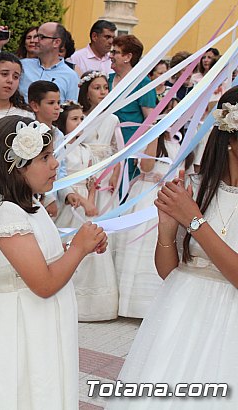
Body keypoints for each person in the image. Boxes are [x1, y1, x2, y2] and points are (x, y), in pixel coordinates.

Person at [0, 115, 108, 409]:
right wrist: (78, 249)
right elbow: (43, 283)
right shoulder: (5, 213)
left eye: (52, 155)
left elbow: (37, 256)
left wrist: (74, 246)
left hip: (34, 317)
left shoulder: (30, 206)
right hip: (16, 323)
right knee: (15, 389)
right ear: (15, 167)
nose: (55, 164)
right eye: (45, 157)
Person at [108, 87, 238, 409]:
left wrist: (194, 221)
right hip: (181, 313)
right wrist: (166, 230)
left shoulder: (193, 206)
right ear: (231, 138)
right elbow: (171, 270)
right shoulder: (196, 186)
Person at [54, 101, 118, 321]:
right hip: (70, 204)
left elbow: (92, 180)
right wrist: (79, 199)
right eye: (74, 119)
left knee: (92, 248)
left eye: (82, 119)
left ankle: (90, 306)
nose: (80, 123)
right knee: (69, 245)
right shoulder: (61, 148)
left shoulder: (85, 149)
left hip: (86, 204)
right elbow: (61, 178)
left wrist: (90, 201)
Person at [113, 130, 185, 318]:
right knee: (139, 244)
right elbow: (146, 166)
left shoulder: (179, 141)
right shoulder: (153, 139)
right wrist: (154, 135)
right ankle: (133, 304)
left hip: (169, 197)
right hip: (148, 195)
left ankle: (154, 305)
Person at [0, 22, 79, 103]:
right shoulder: (23, 65)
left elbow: (70, 111)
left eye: (41, 37)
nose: (35, 41)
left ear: (56, 42)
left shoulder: (71, 76)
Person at [108, 35, 157, 179]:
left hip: (129, 148)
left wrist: (142, 150)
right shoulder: (107, 79)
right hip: (108, 145)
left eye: (115, 52)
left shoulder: (143, 83)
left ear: (127, 57)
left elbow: (150, 121)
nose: (111, 55)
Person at [77, 70, 122, 212]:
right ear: (86, 92)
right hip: (84, 168)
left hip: (105, 170)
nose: (103, 92)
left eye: (105, 88)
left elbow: (117, 150)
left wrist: (115, 174)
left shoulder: (112, 119)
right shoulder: (78, 118)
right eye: (97, 88)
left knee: (104, 205)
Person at [28, 80, 67, 218]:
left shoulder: (59, 135)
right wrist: (48, 198)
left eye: (58, 103)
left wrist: (67, 193)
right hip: (35, 197)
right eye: (51, 103)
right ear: (35, 106)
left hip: (55, 194)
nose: (57, 107)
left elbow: (61, 168)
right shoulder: (29, 133)